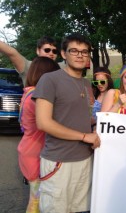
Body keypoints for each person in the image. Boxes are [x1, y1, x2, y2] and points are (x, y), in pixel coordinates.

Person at [32, 34, 100, 213]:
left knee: (81, 209)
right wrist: (85, 136)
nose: (80, 55)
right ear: (64, 54)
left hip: (85, 160)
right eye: (74, 51)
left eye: (84, 52)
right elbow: (43, 122)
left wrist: (106, 122)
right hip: (59, 161)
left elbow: (80, 117)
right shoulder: (49, 79)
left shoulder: (86, 83)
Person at [17, 56, 60, 213]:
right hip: (35, 153)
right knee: (37, 202)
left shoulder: (28, 93)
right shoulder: (37, 97)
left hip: (28, 149)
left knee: (35, 199)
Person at [0, 36, 64, 85]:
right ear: (38, 51)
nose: (51, 53)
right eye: (47, 50)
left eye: (54, 51)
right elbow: (11, 53)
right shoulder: (28, 66)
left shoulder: (62, 67)